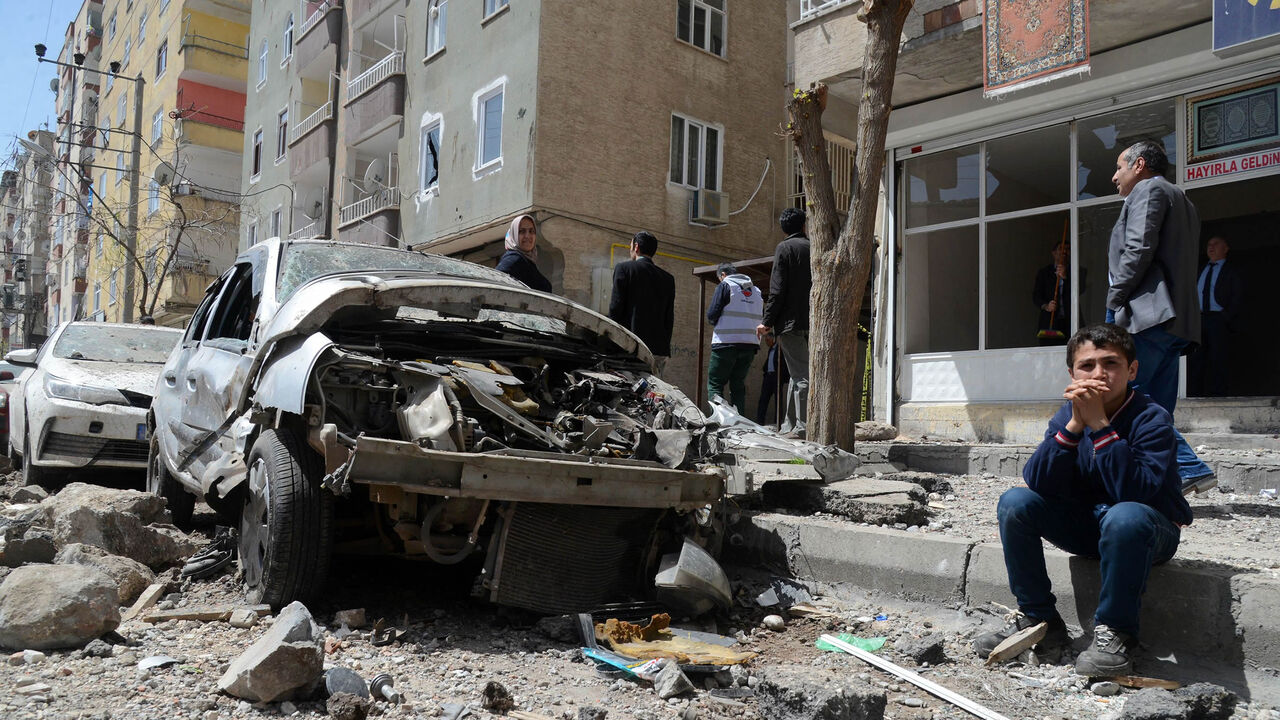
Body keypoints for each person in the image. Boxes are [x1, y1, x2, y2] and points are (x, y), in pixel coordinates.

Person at [974, 324, 1191, 677]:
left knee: (1125, 516)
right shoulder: (1067, 415)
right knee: (1015, 503)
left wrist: (1101, 426)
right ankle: (1039, 620)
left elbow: (1137, 493)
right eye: (1087, 365)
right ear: (1072, 373)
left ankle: (1116, 632)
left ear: (1132, 371)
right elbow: (1039, 481)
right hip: (1092, 527)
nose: (1099, 374)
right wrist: (1075, 425)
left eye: (1111, 363)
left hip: (1148, 532)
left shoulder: (1152, 418)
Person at [1105, 140, 1215, 492]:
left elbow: (1138, 248)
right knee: (1158, 408)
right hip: (1175, 323)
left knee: (1123, 399)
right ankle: (1170, 478)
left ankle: (1188, 466)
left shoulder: (1149, 189)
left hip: (1147, 318)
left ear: (1139, 165)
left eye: (1119, 168)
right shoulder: (1184, 200)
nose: (1113, 177)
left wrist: (1115, 299)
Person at [757, 208, 811, 438]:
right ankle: (789, 425)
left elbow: (777, 290)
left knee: (800, 375)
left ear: (783, 228)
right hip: (812, 320)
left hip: (791, 322)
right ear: (803, 226)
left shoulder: (784, 248)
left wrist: (766, 322)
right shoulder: (812, 248)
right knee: (795, 374)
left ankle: (802, 426)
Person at [608, 231, 676, 374]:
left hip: (630, 346)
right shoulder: (668, 278)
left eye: (631, 245)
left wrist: (610, 340)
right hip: (658, 350)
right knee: (653, 393)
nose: (630, 249)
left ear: (636, 246)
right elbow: (668, 318)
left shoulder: (624, 269)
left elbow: (616, 307)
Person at [1188, 235, 1243, 397]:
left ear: (1226, 249)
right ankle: (1194, 393)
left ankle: (1217, 394)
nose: (1211, 247)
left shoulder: (1231, 271)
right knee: (1195, 358)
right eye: (1208, 244)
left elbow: (1237, 296)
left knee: (1218, 358)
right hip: (1198, 319)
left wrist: (1226, 316)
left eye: (1216, 244)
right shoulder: (1200, 269)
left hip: (1218, 319)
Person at [706, 263, 761, 415]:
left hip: (725, 343)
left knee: (715, 384)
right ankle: (740, 424)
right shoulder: (756, 290)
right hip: (749, 345)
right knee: (738, 385)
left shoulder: (725, 285)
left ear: (723, 275)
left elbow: (712, 314)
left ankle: (718, 421)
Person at [495, 214, 552, 292]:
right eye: (522, 231)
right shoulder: (514, 258)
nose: (527, 236)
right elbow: (496, 283)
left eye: (531, 231)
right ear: (514, 234)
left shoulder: (527, 261)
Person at [1033, 240, 1072, 345]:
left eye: (1067, 249)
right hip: (1050, 323)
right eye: (1061, 248)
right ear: (1054, 253)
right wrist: (1046, 306)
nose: (1064, 251)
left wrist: (1065, 277)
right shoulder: (1044, 273)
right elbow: (1036, 296)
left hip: (1070, 321)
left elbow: (1080, 291)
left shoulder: (1077, 271)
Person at [756, 330, 790, 426]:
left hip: (777, 377)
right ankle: (760, 421)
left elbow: (783, 365)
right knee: (763, 399)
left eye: (768, 340)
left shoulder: (780, 350)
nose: (766, 342)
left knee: (778, 401)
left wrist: (782, 378)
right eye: (766, 340)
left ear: (773, 339)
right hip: (768, 377)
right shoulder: (771, 349)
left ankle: (777, 422)